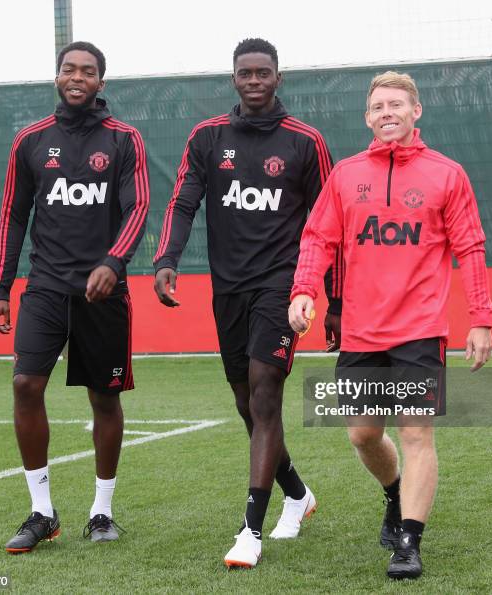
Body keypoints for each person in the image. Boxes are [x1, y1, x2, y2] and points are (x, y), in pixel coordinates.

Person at [289, 71, 492, 580]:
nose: (387, 113)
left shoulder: (447, 174)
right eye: (378, 106)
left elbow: (470, 248)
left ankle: (409, 541)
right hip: (361, 331)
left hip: (420, 330)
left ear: (415, 111)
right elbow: (318, 239)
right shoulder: (346, 175)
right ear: (367, 117)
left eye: (396, 104)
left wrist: (481, 320)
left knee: (416, 432)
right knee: (362, 434)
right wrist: (303, 290)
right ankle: (394, 493)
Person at [153, 38, 341, 568]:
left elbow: (331, 227)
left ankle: (250, 531)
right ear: (234, 78)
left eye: (264, 72)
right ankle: (299, 496)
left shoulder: (305, 143)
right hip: (227, 288)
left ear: (279, 78)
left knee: (264, 396)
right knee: (246, 402)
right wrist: (167, 256)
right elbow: (183, 200)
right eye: (245, 73)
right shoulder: (209, 137)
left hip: (282, 288)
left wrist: (336, 302)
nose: (254, 80)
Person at [0, 41, 148, 553]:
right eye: (68, 69)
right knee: (25, 384)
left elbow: (139, 206)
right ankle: (42, 511)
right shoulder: (31, 141)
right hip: (46, 287)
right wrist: (0, 288)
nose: (76, 77)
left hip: (104, 292)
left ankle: (102, 512)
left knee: (103, 398)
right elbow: (13, 216)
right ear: (58, 77)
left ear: (102, 82)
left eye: (87, 71)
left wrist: (113, 261)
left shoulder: (124, 140)